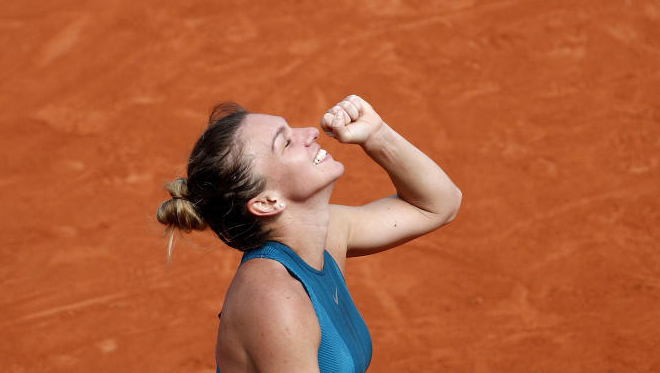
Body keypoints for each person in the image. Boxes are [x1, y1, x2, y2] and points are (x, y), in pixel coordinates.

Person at [156, 94, 462, 373]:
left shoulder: (327, 235)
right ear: (266, 202)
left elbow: (437, 206)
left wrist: (378, 136)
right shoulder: (275, 301)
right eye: (285, 143)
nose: (311, 132)